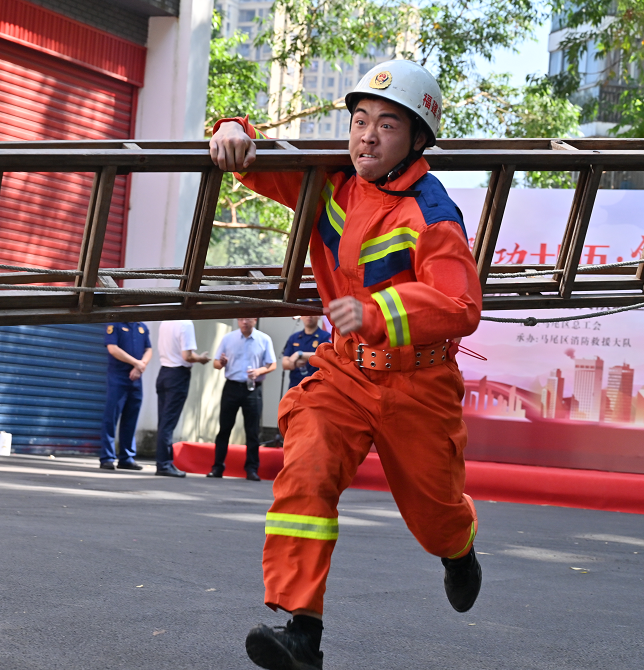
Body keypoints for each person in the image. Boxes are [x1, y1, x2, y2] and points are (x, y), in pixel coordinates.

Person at [209, 59, 484, 670]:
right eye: (360, 120)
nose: (366, 136)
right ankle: (301, 633)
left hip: (420, 384)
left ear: (416, 139)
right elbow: (253, 159)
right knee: (305, 466)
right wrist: (231, 127)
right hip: (345, 371)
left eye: (387, 125)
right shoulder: (327, 180)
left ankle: (458, 547)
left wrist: (379, 310)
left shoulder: (434, 215)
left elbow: (461, 305)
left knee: (436, 513)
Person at [208, 317, 277, 481]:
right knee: (224, 429)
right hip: (232, 387)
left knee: (252, 431)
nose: (244, 322)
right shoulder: (228, 338)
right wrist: (221, 363)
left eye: (248, 319)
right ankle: (217, 467)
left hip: (252, 388)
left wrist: (259, 372)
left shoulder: (264, 339)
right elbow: (216, 363)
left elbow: (272, 364)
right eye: (241, 319)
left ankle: (252, 469)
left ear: (255, 320)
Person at [154, 320, 211, 477]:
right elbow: (187, 355)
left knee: (163, 421)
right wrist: (201, 358)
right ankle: (164, 464)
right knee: (169, 422)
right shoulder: (186, 324)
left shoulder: (165, 322)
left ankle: (163, 461)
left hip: (164, 372)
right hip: (178, 375)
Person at [100, 322, 152, 471]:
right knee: (111, 417)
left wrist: (141, 365)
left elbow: (149, 349)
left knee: (131, 418)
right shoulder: (114, 324)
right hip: (118, 376)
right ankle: (107, 457)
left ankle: (126, 458)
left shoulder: (142, 327)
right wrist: (136, 363)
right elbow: (113, 348)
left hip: (136, 378)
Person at [281, 316, 331, 390]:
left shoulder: (325, 337)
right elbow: (285, 364)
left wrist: (299, 354)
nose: (309, 316)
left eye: (312, 313)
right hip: (296, 385)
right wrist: (295, 363)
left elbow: (326, 356)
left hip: (317, 385)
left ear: (319, 316)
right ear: (301, 317)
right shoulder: (294, 338)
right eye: (306, 314)